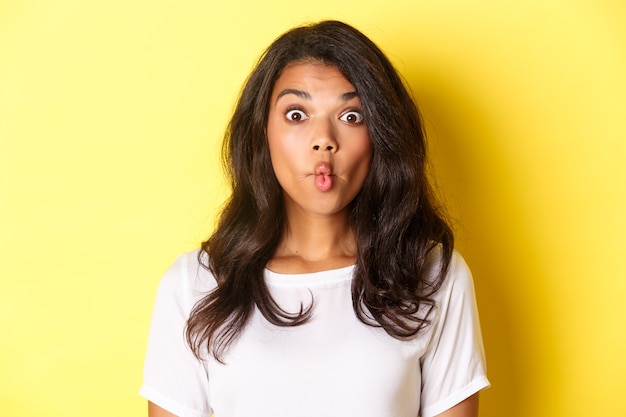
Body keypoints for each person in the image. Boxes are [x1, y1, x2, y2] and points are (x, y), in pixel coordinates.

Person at [140, 20, 489, 417]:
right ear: (262, 132)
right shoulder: (195, 285)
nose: (323, 139)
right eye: (296, 114)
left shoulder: (432, 276)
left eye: (351, 116)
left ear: (381, 135)